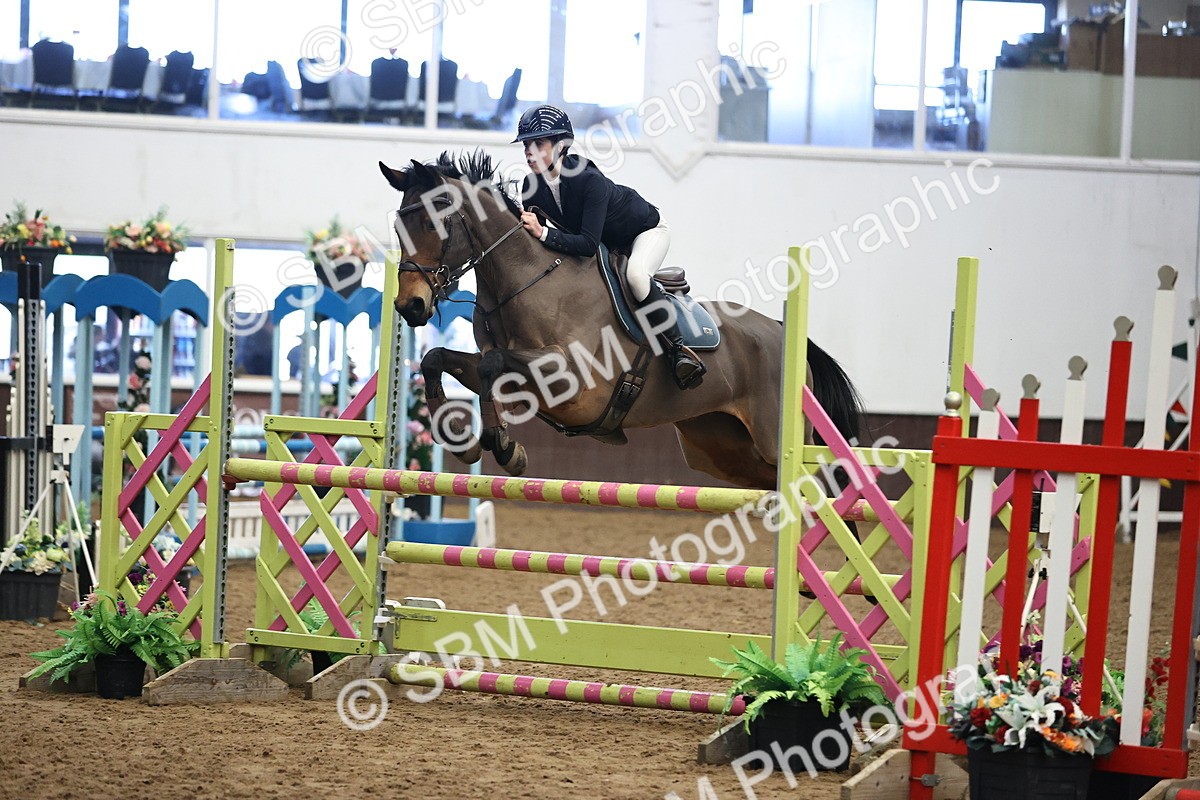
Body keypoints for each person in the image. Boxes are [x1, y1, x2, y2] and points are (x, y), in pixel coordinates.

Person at [513, 105, 706, 391]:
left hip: (644, 231)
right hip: (607, 243)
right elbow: (543, 249)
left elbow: (587, 244)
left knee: (637, 277)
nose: (529, 151)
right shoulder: (530, 186)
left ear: (561, 145)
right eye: (526, 144)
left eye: (538, 143)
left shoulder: (588, 180)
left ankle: (678, 350)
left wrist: (542, 233)